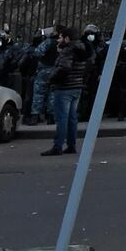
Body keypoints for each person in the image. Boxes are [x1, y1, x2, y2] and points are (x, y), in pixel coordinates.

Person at [41, 24, 88, 156]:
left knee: (62, 118)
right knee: (72, 118)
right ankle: (71, 144)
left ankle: (58, 146)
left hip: (64, 88)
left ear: (67, 39)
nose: (58, 40)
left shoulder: (68, 50)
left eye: (60, 37)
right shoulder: (81, 49)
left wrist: (52, 78)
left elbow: (64, 68)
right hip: (76, 86)